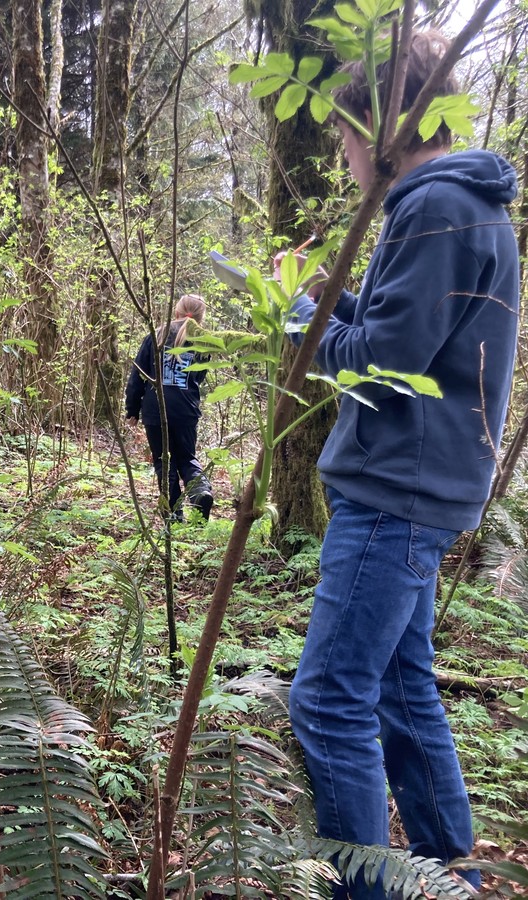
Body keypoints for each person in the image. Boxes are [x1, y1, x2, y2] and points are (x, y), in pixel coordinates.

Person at [278, 31, 520, 900]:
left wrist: (302, 324)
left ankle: (367, 889)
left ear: (381, 128)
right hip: (425, 484)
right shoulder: (461, 205)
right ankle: (452, 876)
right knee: (401, 684)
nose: (343, 154)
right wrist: (327, 296)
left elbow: (385, 360)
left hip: (393, 491)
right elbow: (417, 334)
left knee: (328, 699)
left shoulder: (431, 206)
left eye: (344, 134)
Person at [124, 294, 214, 523]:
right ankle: (200, 491)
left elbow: (138, 375)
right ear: (201, 317)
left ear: (176, 311)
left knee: (164, 462)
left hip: (155, 411)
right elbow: (198, 378)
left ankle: (174, 516)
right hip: (186, 410)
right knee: (187, 457)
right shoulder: (204, 341)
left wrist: (132, 409)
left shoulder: (157, 335)